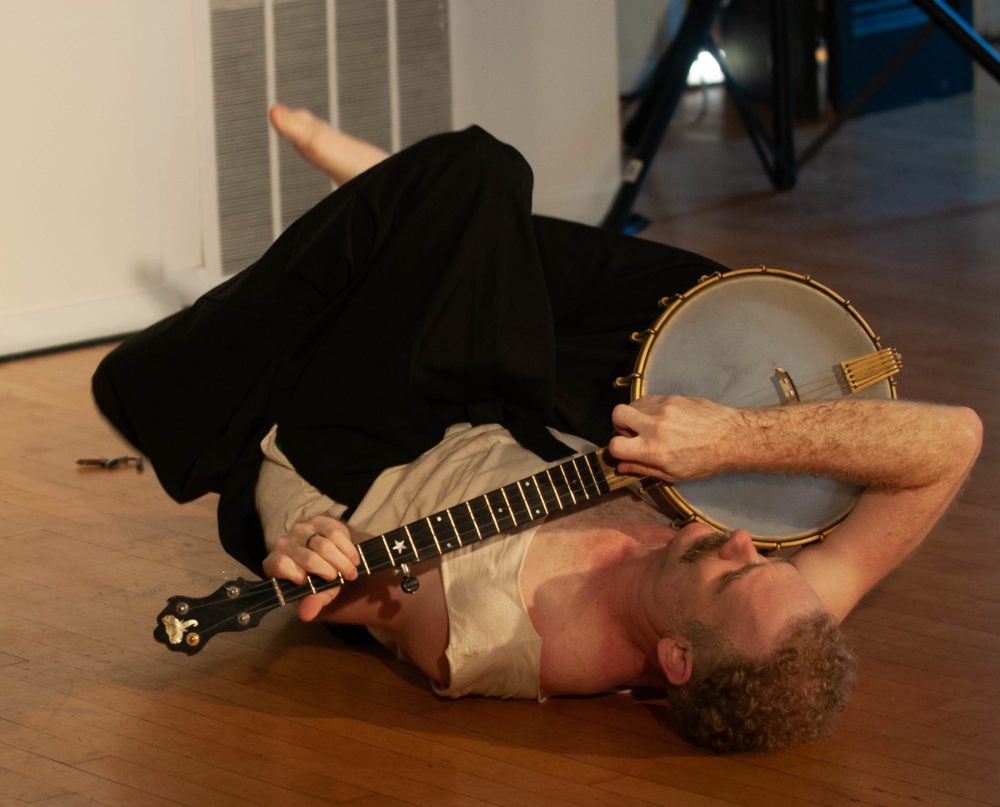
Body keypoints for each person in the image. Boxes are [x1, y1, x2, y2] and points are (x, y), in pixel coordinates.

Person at [93, 105, 982, 754]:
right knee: (706, 314)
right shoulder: (780, 625)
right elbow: (956, 441)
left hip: (354, 445)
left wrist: (301, 540)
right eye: (766, 559)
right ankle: (424, 226)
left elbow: (324, 570)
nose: (746, 542)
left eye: (732, 572)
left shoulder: (487, 631)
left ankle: (182, 383)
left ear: (676, 657)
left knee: (476, 170)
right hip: (500, 415)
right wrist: (733, 439)